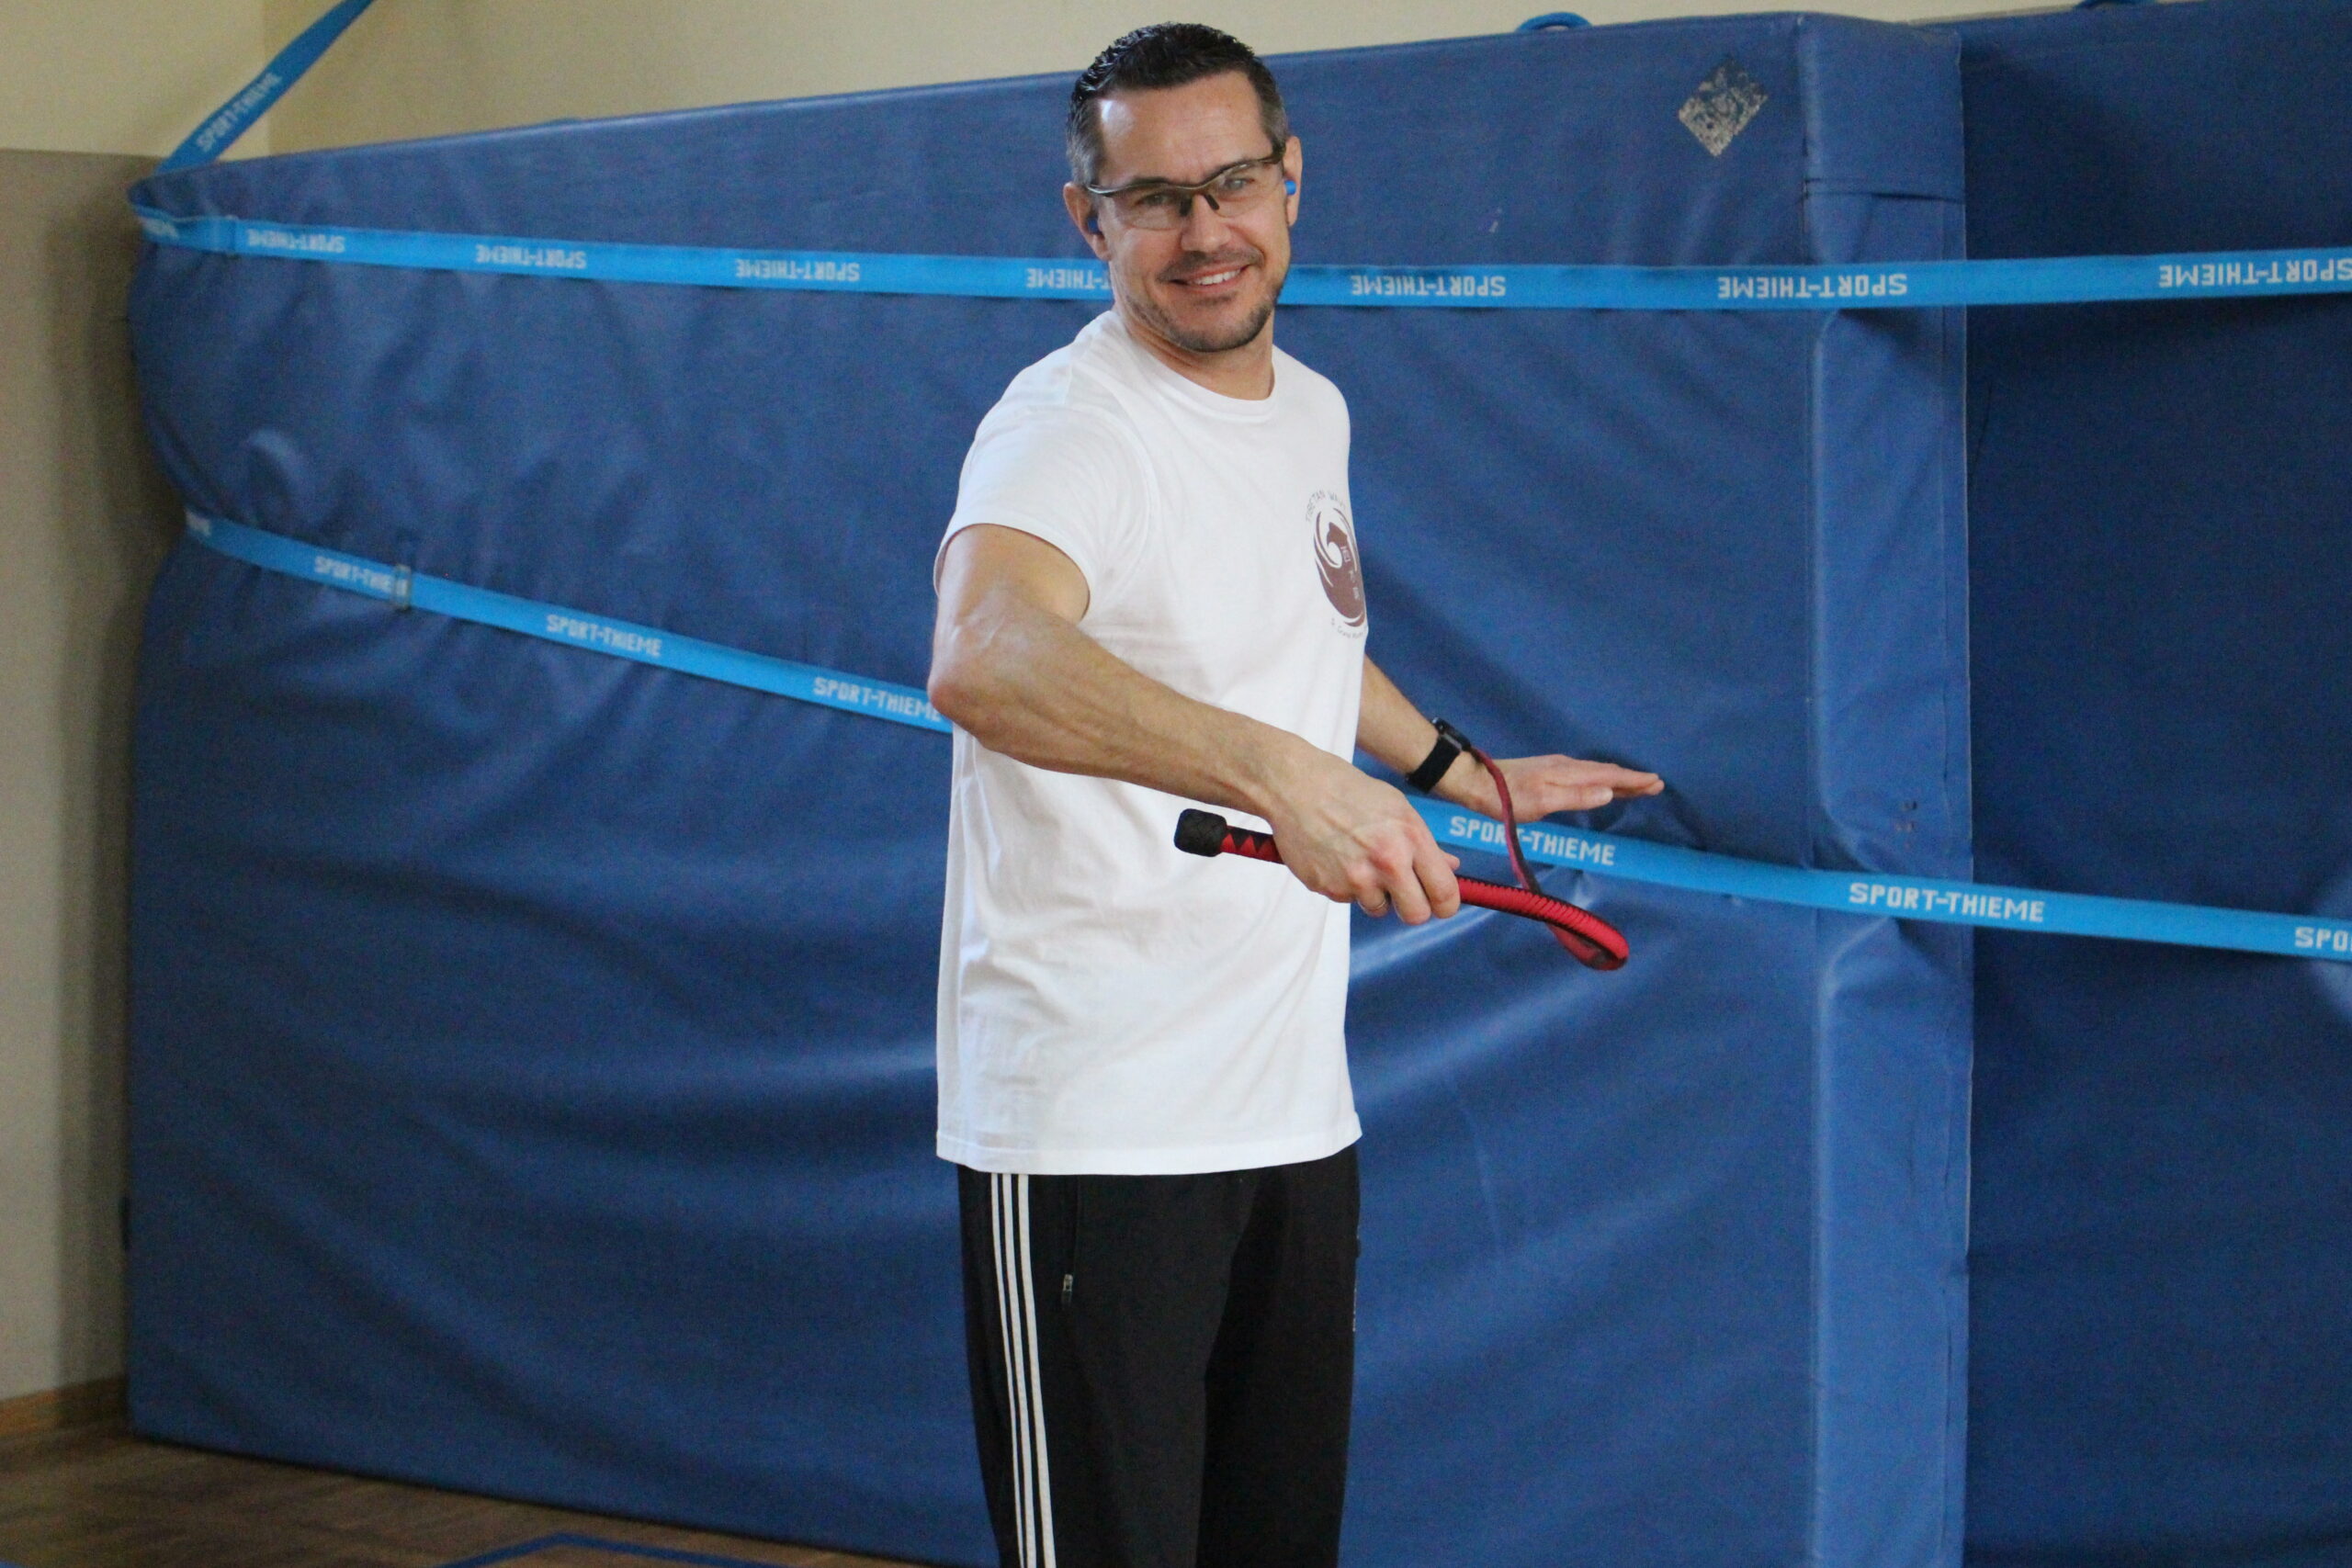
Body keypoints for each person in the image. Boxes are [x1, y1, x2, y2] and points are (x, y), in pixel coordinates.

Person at [925, 23, 1662, 1568]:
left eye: (1233, 184)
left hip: (1286, 1109)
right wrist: (1283, 775)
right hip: (1100, 1129)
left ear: (1293, 181)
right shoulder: (1070, 429)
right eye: (1153, 199)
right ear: (1088, 221)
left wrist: (1455, 771)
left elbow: (1299, 629)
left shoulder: (1308, 409)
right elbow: (986, 656)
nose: (1205, 231)